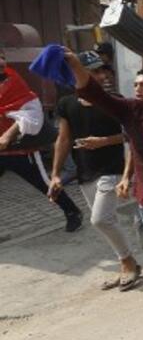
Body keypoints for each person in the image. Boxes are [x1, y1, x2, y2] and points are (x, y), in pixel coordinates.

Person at [48, 51, 138, 290]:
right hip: (85, 170)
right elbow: (64, 139)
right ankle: (126, 262)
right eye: (93, 71)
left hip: (112, 169)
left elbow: (132, 134)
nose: (100, 75)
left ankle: (129, 262)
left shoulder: (113, 100)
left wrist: (105, 141)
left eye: (101, 70)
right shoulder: (66, 104)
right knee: (107, 222)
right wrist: (55, 173)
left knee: (100, 219)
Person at [0, 48, 83, 232]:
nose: (1, 62)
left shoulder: (14, 83)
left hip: (20, 149)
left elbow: (32, 111)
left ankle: (72, 211)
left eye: (2, 57)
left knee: (45, 184)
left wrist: (8, 135)